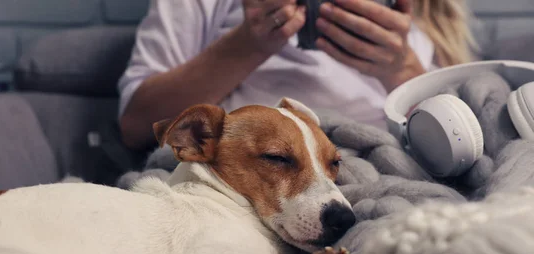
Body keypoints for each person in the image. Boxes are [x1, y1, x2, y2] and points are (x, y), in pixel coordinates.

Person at [118, 0, 474, 151]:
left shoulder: (424, 12)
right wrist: (249, 44)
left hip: (386, 163)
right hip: (257, 169)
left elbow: (464, 138)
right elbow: (138, 124)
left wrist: (401, 70)